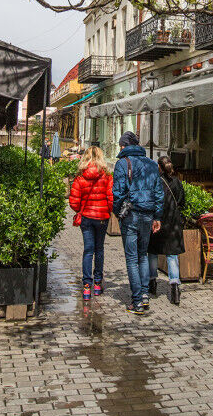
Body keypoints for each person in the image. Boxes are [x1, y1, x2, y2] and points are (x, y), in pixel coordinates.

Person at [112, 130, 164, 315]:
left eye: (121, 145)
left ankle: (137, 301)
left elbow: (118, 193)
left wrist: (117, 212)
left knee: (132, 258)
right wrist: (157, 216)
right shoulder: (151, 164)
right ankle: (144, 296)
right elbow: (159, 192)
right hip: (148, 214)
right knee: (143, 255)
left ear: (124, 146)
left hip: (131, 215)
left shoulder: (122, 163)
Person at [69, 145, 113, 301]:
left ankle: (86, 286)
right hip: (102, 217)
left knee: (88, 250)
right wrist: (107, 210)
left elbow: (73, 202)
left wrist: (81, 208)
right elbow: (111, 199)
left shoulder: (80, 177)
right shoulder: (107, 176)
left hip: (86, 217)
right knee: (99, 249)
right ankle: (97, 284)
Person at [148, 156, 186, 305]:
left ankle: (152, 282)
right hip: (173, 222)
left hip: (158, 221)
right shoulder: (177, 182)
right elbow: (182, 201)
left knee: (152, 252)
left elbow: (152, 200)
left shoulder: (156, 181)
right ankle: (175, 287)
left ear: (159, 167)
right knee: (172, 255)